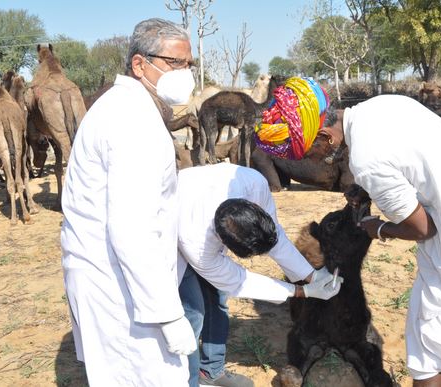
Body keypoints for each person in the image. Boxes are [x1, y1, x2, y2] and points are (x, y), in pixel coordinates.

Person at [255, 83, 441, 387]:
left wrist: (378, 228)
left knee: (428, 354)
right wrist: (368, 191)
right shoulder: (382, 106)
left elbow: (422, 228)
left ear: (326, 136)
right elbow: (409, 163)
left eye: (311, 153)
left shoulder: (367, 161)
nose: (314, 162)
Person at [60, 18, 198, 386]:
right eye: (174, 63)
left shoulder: (125, 108)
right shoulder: (132, 121)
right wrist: (168, 314)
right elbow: (131, 230)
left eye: (189, 65)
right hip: (119, 285)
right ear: (140, 65)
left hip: (116, 277)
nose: (185, 74)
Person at [177, 162, 343, 387]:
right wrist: (301, 291)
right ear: (227, 244)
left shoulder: (254, 184)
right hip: (173, 234)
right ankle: (188, 379)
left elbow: (276, 239)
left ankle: (211, 371)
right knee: (192, 313)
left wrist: (312, 276)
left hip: (202, 199)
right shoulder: (198, 245)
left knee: (217, 301)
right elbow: (239, 282)